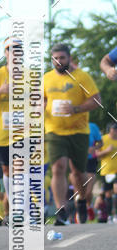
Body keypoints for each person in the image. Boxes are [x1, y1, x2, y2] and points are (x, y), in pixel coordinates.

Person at [43, 44, 101, 225]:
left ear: (69, 58)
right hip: (54, 130)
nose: (58, 61)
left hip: (79, 131)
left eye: (62, 58)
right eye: (55, 58)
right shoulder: (46, 78)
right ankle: (61, 210)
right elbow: (40, 99)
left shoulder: (82, 76)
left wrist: (76, 108)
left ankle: (82, 201)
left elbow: (96, 101)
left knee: (78, 173)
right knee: (58, 168)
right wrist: (39, 106)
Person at [0, 37, 22, 223]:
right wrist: (0, 91)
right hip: (2, 131)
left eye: (18, 49)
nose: (15, 53)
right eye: (11, 49)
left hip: (23, 130)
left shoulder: (29, 74)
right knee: (7, 170)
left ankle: (18, 209)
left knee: (19, 168)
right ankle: (11, 208)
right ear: (5, 53)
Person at [95, 122, 117, 222]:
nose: (116, 131)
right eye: (114, 129)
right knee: (108, 194)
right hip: (107, 171)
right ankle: (109, 216)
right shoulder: (103, 139)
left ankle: (115, 214)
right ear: (110, 129)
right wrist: (107, 151)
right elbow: (97, 155)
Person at [85, 120, 103, 220]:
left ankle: (88, 206)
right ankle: (80, 209)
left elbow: (100, 143)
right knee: (78, 187)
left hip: (91, 159)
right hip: (77, 158)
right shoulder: (72, 125)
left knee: (89, 189)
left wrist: (94, 148)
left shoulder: (93, 126)